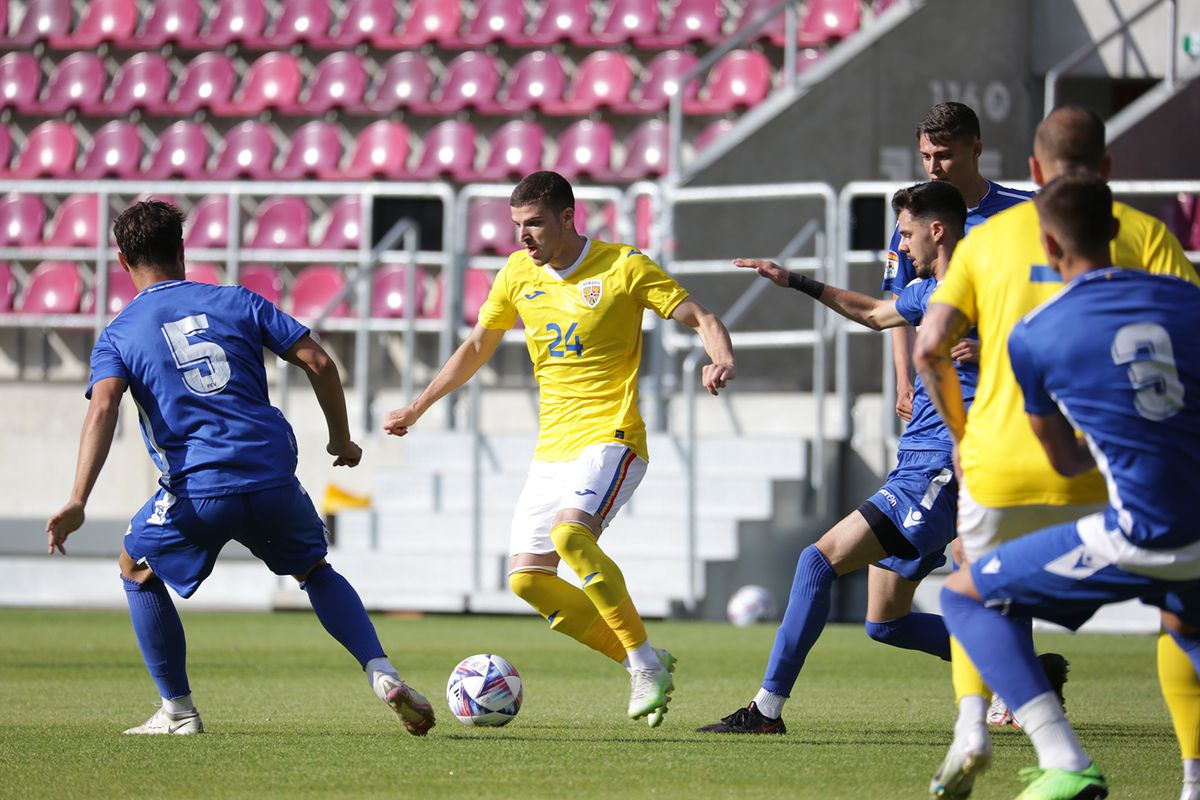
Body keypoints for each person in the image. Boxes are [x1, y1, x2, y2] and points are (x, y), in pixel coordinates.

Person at [45, 201, 436, 737]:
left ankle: (178, 712)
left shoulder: (119, 333)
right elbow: (319, 361)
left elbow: (104, 407)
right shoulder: (236, 300)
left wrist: (78, 498)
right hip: (273, 476)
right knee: (315, 570)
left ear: (121, 259)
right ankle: (381, 671)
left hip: (199, 489)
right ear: (182, 251)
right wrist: (340, 439)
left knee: (134, 566)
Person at [914, 107, 1200, 798]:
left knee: (975, 595)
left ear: (1034, 174)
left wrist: (961, 437)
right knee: (1181, 613)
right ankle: (1191, 775)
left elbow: (928, 347)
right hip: (1144, 473)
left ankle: (978, 729)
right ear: (1106, 173)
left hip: (1008, 458)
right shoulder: (1152, 239)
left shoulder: (991, 244)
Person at [382, 171, 736, 727]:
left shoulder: (624, 266)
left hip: (612, 436)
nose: (524, 236)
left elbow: (702, 317)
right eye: (517, 225)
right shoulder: (518, 273)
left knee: (572, 535)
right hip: (552, 447)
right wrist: (418, 407)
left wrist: (721, 358)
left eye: (536, 223)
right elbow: (477, 345)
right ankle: (639, 656)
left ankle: (644, 665)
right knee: (527, 579)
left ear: (569, 218)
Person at [698, 181, 977, 734]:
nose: (903, 245)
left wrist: (998, 348)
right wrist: (794, 281)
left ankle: (766, 711)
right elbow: (874, 313)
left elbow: (1045, 335)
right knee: (886, 623)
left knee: (817, 560)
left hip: (941, 465)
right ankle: (1027, 673)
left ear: (936, 229)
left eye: (906, 232)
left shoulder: (985, 285)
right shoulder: (932, 290)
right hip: (915, 460)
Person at [883, 102, 1031, 425]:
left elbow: (1047, 296)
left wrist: (992, 348)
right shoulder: (914, 222)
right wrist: (903, 380)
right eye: (925, 156)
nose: (933, 168)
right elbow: (896, 306)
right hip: (943, 400)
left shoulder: (1026, 213)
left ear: (976, 149)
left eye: (944, 155)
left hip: (1012, 392)